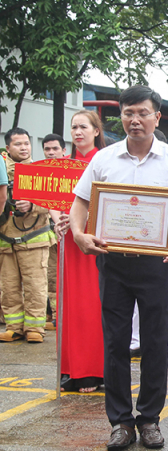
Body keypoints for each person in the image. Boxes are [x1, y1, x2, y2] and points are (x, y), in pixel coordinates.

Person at [69, 85, 168, 451]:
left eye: (143, 113)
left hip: (158, 263)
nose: (135, 120)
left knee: (156, 342)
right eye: (128, 113)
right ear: (121, 117)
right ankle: (121, 422)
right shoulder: (105, 159)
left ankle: (150, 418)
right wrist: (79, 234)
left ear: (157, 117)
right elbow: (80, 202)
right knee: (115, 342)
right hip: (113, 262)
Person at [59, 110, 107, 393]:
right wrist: (59, 219)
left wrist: (81, 224)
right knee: (70, 304)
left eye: (83, 127)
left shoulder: (103, 161)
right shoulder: (64, 165)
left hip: (93, 239)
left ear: (96, 131)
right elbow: (52, 198)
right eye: (74, 127)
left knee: (91, 304)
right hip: (68, 239)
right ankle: (70, 368)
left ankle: (91, 370)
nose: (78, 132)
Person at [0, 128, 57, 343]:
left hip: (34, 239)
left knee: (35, 285)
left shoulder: (40, 170)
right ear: (8, 148)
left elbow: (53, 202)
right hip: (6, 239)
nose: (24, 148)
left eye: (26, 143)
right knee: (8, 286)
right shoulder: (2, 169)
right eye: (18, 144)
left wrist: (33, 205)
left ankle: (35, 327)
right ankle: (13, 327)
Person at [42, 133, 67, 329]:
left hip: (71, 232)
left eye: (55, 149)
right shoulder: (38, 173)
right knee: (52, 277)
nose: (51, 153)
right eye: (47, 149)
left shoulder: (73, 171)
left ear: (63, 151)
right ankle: (56, 315)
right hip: (46, 236)